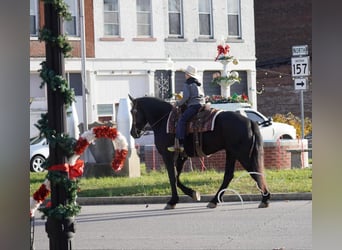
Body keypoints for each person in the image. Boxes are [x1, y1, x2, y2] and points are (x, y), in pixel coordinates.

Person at [168, 65, 205, 152]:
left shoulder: (187, 83)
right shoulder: (198, 83)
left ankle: (180, 144)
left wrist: (177, 103)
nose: (185, 75)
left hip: (194, 105)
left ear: (188, 75)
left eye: (185, 73)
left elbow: (186, 97)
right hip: (202, 105)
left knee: (182, 120)